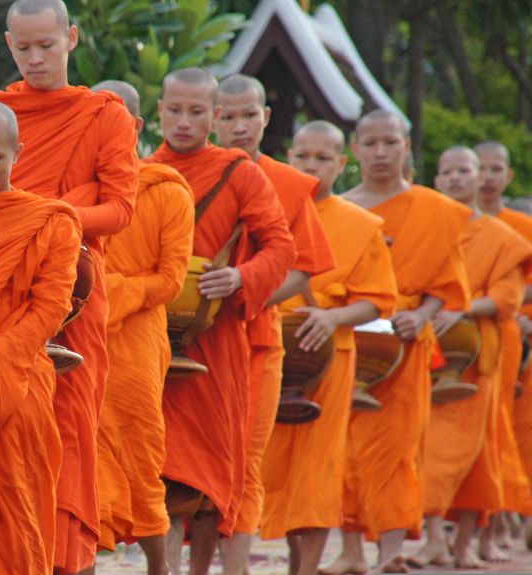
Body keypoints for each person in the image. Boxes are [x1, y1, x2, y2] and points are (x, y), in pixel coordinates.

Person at [0, 1, 139, 571]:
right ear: (8, 45)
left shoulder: (106, 114)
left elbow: (122, 209)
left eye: (46, 46)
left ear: (71, 38)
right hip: (3, 295)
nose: (35, 58)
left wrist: (52, 218)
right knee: (6, 430)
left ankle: (67, 561)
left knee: (70, 431)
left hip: (76, 296)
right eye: (23, 48)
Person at [145, 66, 296, 575]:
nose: (184, 122)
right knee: (159, 461)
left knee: (211, 467)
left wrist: (239, 278)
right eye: (174, 110)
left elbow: (280, 246)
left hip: (216, 340)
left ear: (215, 116)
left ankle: (201, 569)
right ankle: (161, 567)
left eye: (196, 112)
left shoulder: (239, 172)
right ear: (158, 111)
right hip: (152, 337)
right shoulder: (142, 170)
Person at [320, 111, 471, 575]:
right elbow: (322, 281)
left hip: (404, 346)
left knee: (397, 449)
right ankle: (348, 551)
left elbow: (448, 287)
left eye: (391, 142)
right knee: (342, 448)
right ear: (356, 149)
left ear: (407, 145)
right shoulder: (339, 209)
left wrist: (422, 316)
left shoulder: (435, 210)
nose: (381, 153)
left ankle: (390, 551)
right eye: (371, 143)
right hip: (347, 341)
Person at [259, 121, 398, 575]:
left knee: (316, 469)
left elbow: (379, 299)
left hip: (329, 359)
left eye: (323, 159)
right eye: (303, 157)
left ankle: (305, 568)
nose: (312, 167)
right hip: (264, 347)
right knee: (265, 465)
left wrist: (332, 317)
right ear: (288, 159)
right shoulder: (266, 208)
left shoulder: (360, 224)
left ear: (342, 163)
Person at [0, 100, 83, 575]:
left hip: (18, 383)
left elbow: (50, 308)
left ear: (17, 155)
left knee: (14, 516)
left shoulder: (52, 221)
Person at [214, 75, 336, 575]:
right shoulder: (183, 175)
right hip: (189, 340)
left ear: (266, 118)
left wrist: (247, 294)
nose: (239, 126)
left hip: (255, 337)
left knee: (244, 458)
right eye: (228, 116)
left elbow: (305, 265)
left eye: (249, 115)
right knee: (193, 458)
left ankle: (236, 567)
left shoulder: (286, 183)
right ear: (211, 118)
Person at [90, 80, 195, 575]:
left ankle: (159, 566)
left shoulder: (167, 191)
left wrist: (108, 293)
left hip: (133, 346)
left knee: (138, 453)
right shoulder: (77, 187)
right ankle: (82, 559)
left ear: (133, 126)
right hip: (78, 341)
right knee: (79, 454)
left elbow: (171, 280)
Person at [412, 146, 532, 569]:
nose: (458, 178)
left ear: (480, 176)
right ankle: (433, 540)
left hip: (480, 358)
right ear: (438, 180)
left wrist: (458, 308)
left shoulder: (505, 239)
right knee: (427, 450)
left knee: (474, 453)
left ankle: (462, 543)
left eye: (465, 170)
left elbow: (507, 299)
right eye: (448, 172)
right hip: (429, 353)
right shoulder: (426, 228)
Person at [475, 140, 532, 557]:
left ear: (508, 175)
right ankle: (490, 523)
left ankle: (522, 513)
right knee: (491, 430)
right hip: (472, 335)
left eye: (497, 169)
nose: (489, 177)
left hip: (521, 336)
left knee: (522, 432)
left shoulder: (522, 225)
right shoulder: (457, 223)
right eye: (482, 168)